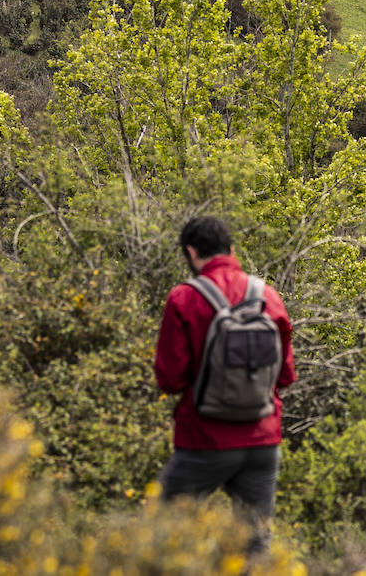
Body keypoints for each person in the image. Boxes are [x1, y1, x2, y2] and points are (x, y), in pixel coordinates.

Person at [154, 216, 295, 554]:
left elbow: (170, 380)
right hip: (262, 440)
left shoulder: (183, 299)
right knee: (254, 547)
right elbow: (286, 376)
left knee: (157, 533)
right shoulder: (268, 297)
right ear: (231, 249)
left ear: (191, 253)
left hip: (205, 439)